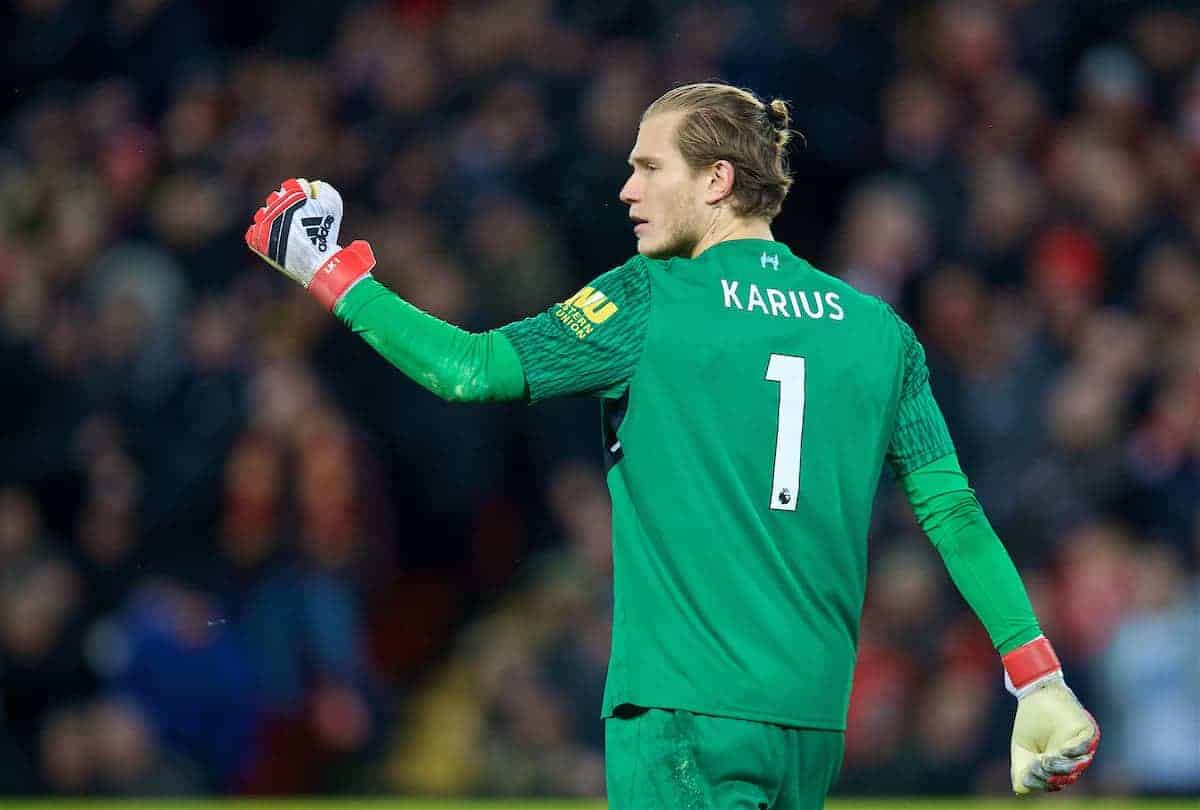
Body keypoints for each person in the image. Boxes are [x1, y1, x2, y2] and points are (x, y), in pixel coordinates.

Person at [245, 82, 1099, 809]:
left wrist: (322, 267)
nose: (626, 189)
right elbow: (951, 510)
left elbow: (470, 370)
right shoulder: (880, 334)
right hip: (809, 725)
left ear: (718, 180)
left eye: (650, 167)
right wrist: (1037, 675)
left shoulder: (651, 297)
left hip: (683, 714)